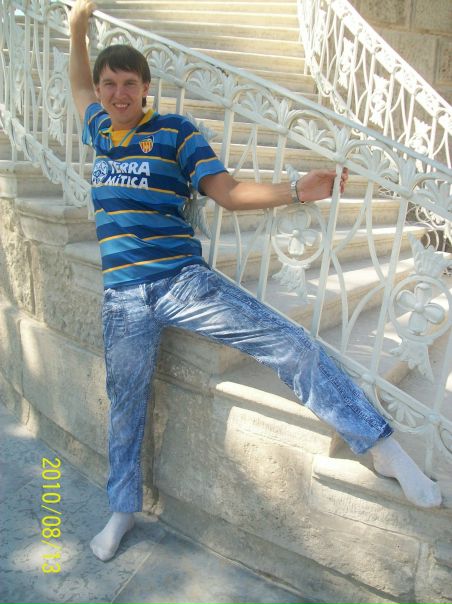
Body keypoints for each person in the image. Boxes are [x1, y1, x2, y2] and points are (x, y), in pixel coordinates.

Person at [69, 0, 442, 563]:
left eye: (129, 84)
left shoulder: (174, 133)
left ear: (146, 88)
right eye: (109, 84)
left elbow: (228, 193)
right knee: (126, 403)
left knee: (288, 341)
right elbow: (76, 83)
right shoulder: (99, 128)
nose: (118, 93)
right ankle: (122, 509)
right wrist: (76, 27)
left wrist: (295, 190)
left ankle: (382, 446)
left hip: (181, 281)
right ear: (100, 91)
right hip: (123, 296)